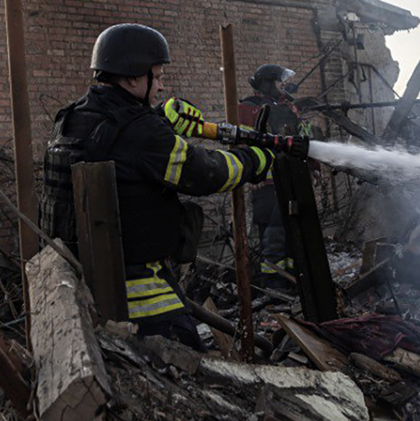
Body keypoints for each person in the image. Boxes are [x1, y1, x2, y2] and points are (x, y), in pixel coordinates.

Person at [40, 23, 274, 348]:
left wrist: (162, 119)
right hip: (134, 287)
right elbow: (205, 173)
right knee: (187, 364)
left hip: (79, 279)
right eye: (158, 76)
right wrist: (255, 161)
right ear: (134, 77)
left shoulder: (73, 115)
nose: (162, 87)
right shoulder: (141, 132)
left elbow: (122, 153)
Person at [238, 63, 308, 289]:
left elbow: (303, 139)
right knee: (273, 236)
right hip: (266, 186)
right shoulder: (248, 109)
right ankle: (273, 285)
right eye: (280, 81)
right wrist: (251, 176)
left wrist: (313, 167)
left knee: (292, 234)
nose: (284, 85)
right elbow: (242, 144)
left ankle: (292, 280)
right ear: (268, 82)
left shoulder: (290, 108)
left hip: (292, 181)